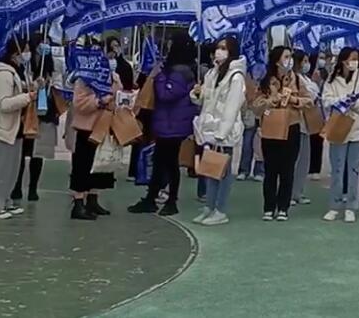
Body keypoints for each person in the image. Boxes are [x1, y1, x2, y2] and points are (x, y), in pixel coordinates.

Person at [128, 33, 199, 216]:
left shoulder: (178, 72)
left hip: (171, 124)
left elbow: (167, 95)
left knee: (169, 163)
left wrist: (158, 77)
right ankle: (153, 197)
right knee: (162, 162)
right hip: (171, 123)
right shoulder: (186, 70)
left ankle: (169, 200)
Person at [189, 36, 247, 226]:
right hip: (209, 129)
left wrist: (222, 133)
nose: (219, 51)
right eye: (218, 48)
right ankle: (209, 206)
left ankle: (220, 209)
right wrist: (197, 94)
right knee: (210, 170)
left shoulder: (236, 77)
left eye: (224, 48)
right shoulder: (212, 73)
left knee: (224, 172)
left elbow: (232, 107)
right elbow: (205, 99)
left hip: (225, 132)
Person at [251, 46, 311, 222]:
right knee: (270, 170)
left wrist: (293, 99)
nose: (289, 60)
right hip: (270, 127)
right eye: (286, 56)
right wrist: (270, 101)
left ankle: (283, 207)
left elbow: (309, 101)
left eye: (290, 57)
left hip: (291, 127)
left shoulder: (297, 80)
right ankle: (269, 207)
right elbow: (255, 106)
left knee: (287, 170)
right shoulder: (266, 80)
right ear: (277, 60)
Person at [0, 40, 37, 219]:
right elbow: (4, 103)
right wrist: (27, 97)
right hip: (2, 129)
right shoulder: (4, 75)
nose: (27, 54)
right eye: (25, 51)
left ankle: (5, 201)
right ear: (15, 53)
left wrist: (31, 89)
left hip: (15, 129)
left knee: (12, 170)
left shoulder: (16, 74)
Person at [321, 47, 359, 223]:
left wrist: (354, 103)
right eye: (352, 58)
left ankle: (351, 206)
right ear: (343, 60)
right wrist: (341, 101)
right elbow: (326, 101)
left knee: (354, 169)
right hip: (338, 128)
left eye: (357, 59)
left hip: (358, 130)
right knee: (337, 169)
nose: (354, 62)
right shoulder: (331, 79)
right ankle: (335, 205)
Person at [69, 61, 120, 222]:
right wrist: (99, 101)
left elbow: (120, 94)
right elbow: (79, 103)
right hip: (87, 127)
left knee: (101, 165)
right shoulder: (83, 78)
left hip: (105, 124)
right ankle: (78, 203)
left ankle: (93, 199)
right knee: (82, 165)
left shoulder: (113, 77)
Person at [13, 35, 58, 203]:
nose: (43, 46)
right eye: (40, 43)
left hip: (43, 115)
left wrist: (47, 85)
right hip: (25, 113)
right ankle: (16, 186)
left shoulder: (50, 67)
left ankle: (33, 188)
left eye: (46, 43)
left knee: (37, 154)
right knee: (21, 153)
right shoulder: (23, 66)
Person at [290, 51, 320, 206]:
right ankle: (289, 193)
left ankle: (298, 192)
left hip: (307, 124)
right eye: (305, 61)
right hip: (296, 123)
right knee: (293, 161)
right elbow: (309, 96)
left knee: (304, 161)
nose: (307, 64)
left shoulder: (307, 79)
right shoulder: (293, 78)